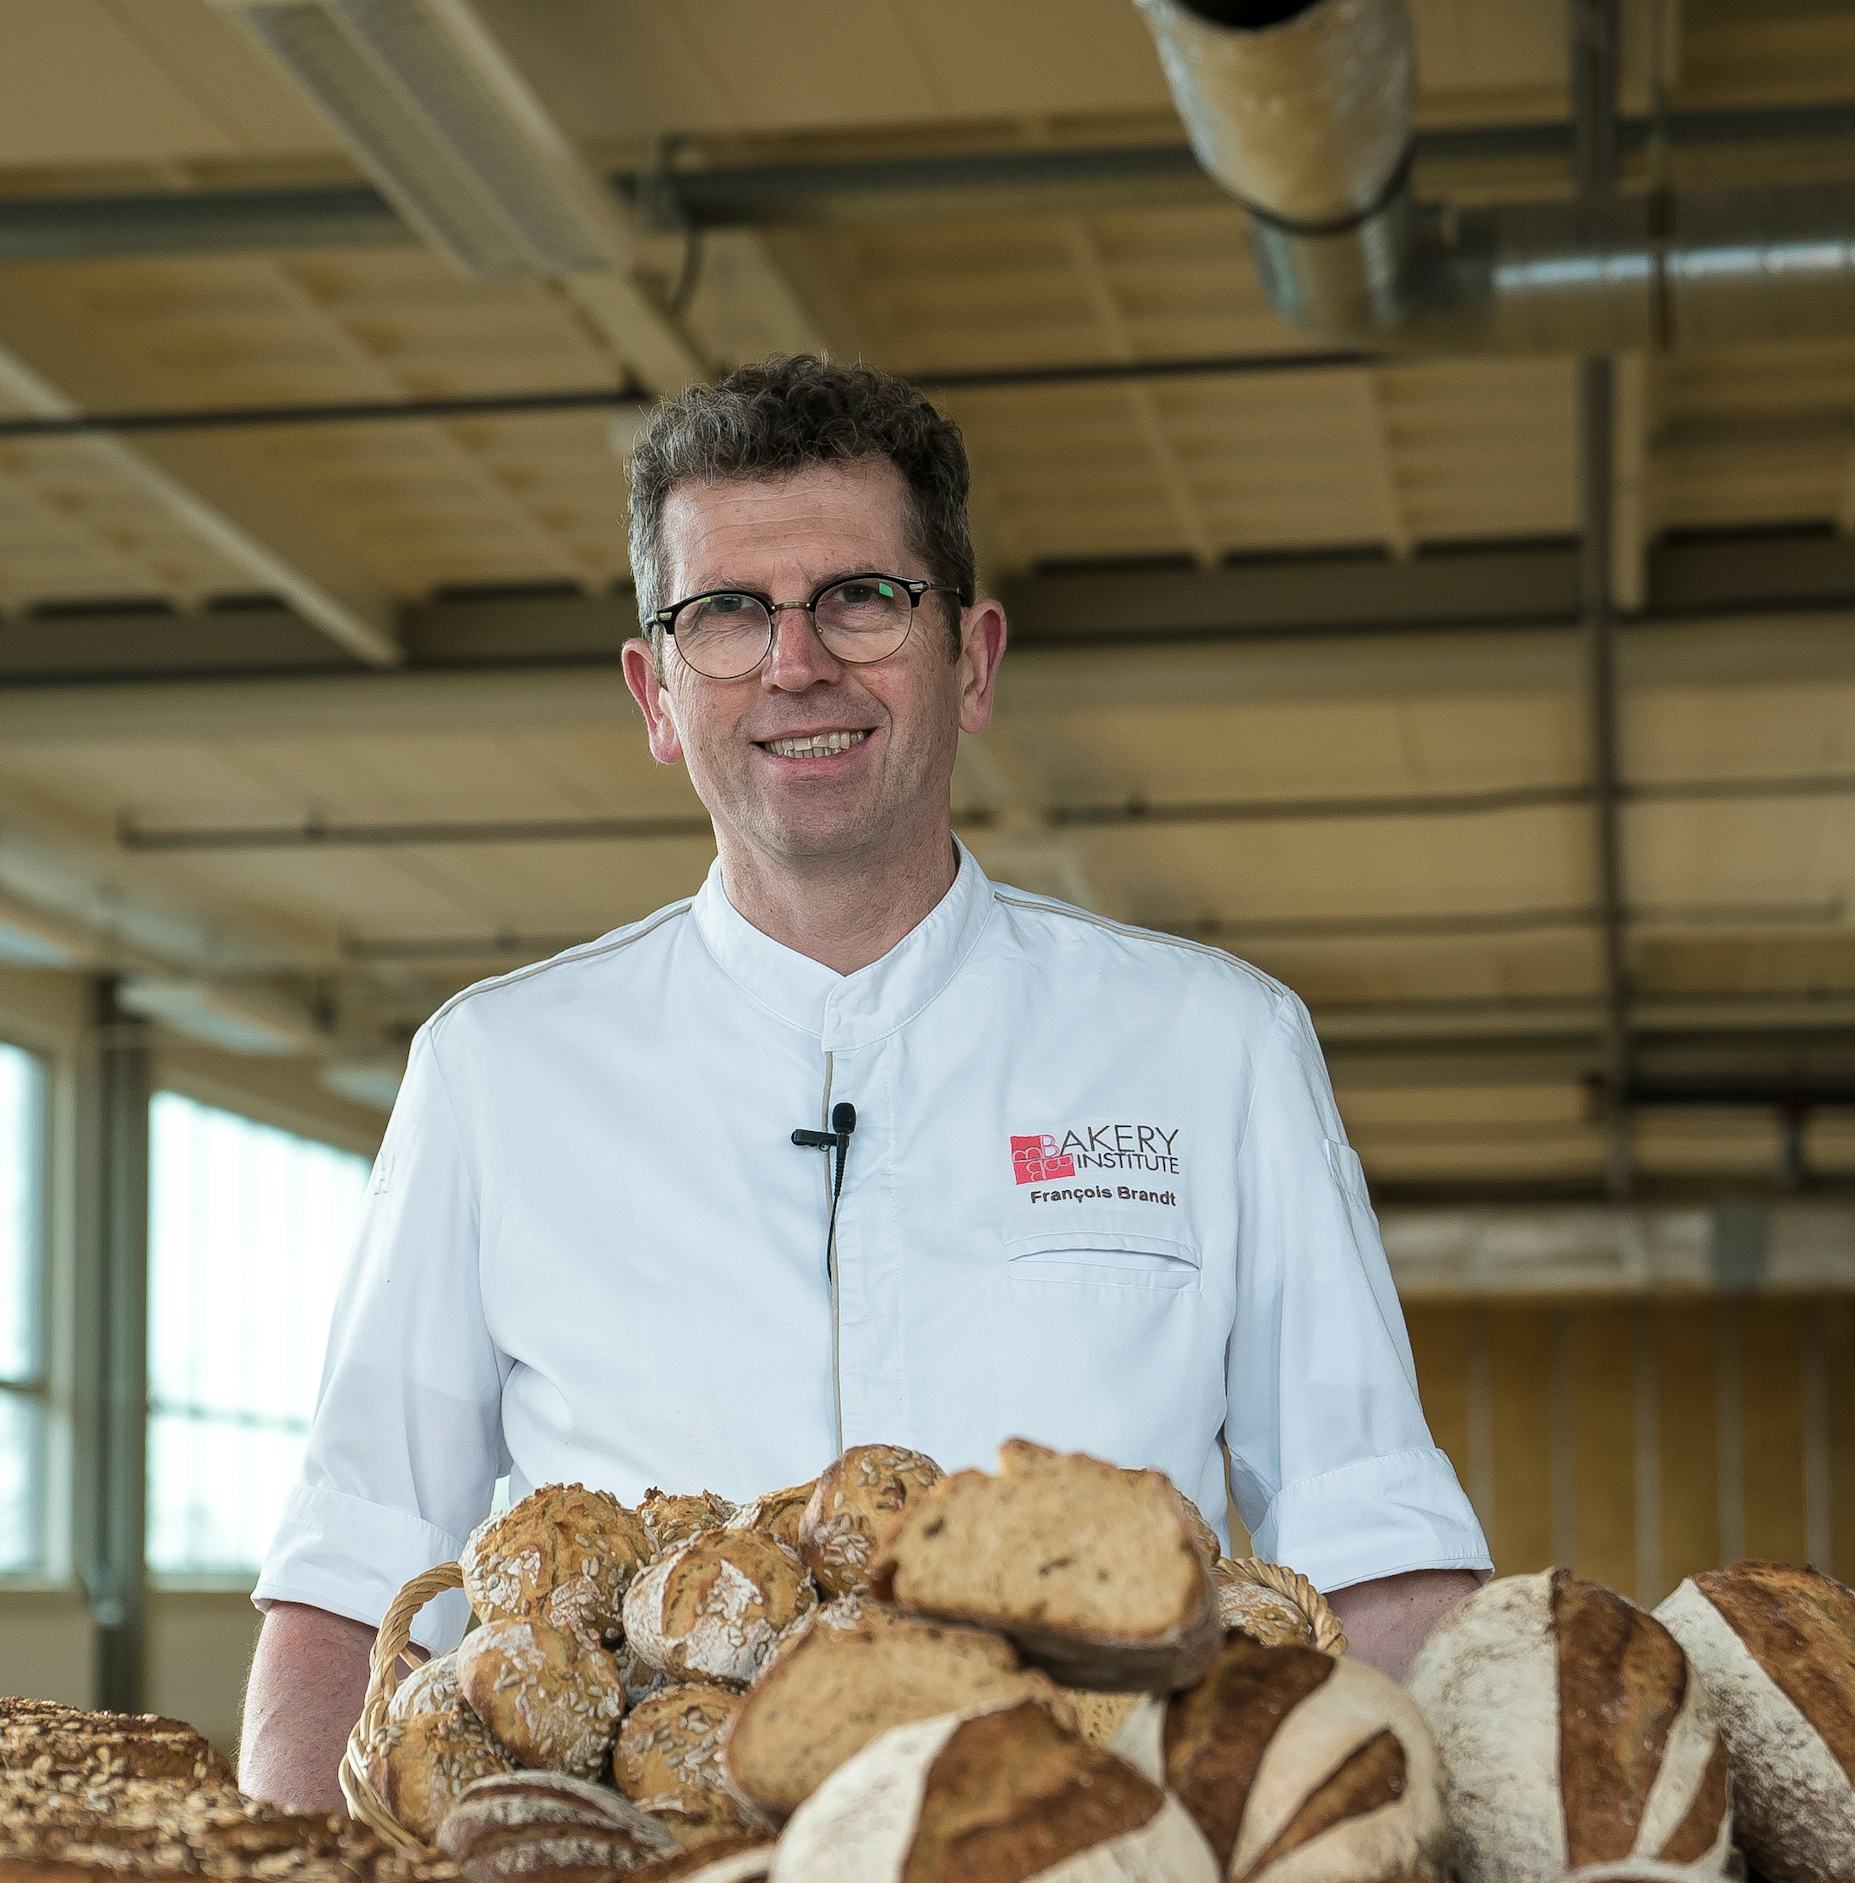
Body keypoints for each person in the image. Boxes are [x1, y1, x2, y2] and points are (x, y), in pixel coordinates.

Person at [236, 356, 1485, 1808]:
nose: (796, 663)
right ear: (655, 691)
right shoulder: (497, 1074)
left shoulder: (1214, 1048)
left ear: (974, 659)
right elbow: (354, 1570)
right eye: (728, 614)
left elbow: (1373, 1546)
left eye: (862, 599)